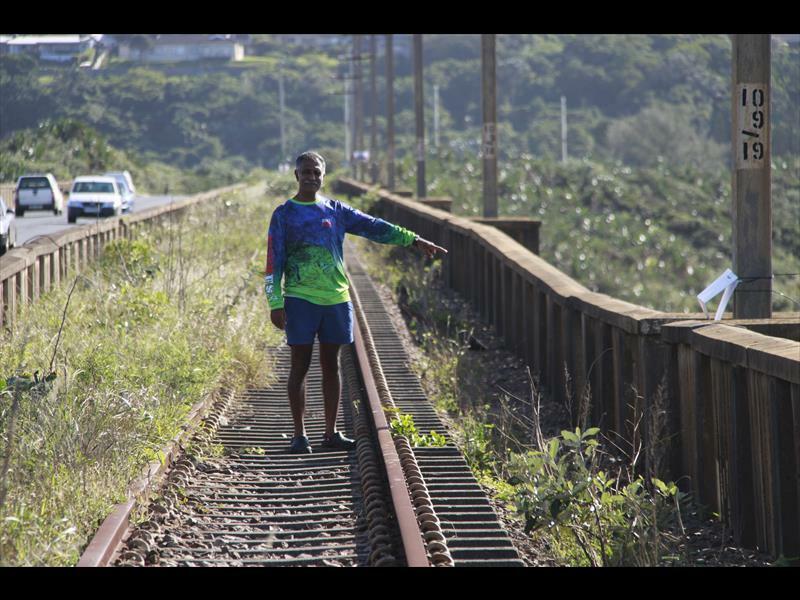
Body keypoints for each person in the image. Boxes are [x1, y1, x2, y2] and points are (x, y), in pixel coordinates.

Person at [265, 151, 447, 454]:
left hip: (336, 299)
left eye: (316, 172)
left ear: (323, 176)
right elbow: (274, 262)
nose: (311, 177)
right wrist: (275, 302)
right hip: (299, 298)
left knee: (331, 365)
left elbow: (374, 226)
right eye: (306, 172)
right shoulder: (283, 214)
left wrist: (413, 240)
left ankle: (330, 432)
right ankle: (299, 435)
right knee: (300, 365)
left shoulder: (335, 210)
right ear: (296, 176)